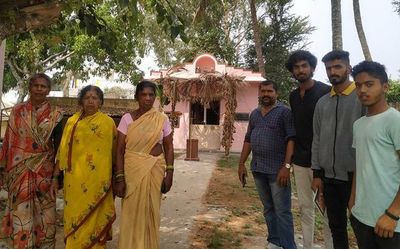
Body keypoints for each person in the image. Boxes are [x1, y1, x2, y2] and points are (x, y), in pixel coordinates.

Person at [0, 73, 63, 248]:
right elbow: (8, 140)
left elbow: (60, 149)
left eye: (43, 86)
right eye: (36, 85)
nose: (39, 89)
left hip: (45, 173)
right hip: (18, 172)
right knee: (20, 213)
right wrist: (3, 169)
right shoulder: (17, 111)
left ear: (48, 90)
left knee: (46, 217)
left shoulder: (56, 115)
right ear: (30, 87)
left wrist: (56, 177)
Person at [311, 50, 364, 249]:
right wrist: (317, 173)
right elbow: (317, 139)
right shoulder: (322, 103)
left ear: (348, 68)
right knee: (336, 227)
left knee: (361, 227)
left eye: (337, 67)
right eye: (329, 68)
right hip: (329, 177)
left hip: (355, 177)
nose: (333, 71)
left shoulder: (361, 99)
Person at [53, 85, 116, 248]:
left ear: (101, 102)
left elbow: (116, 152)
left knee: (95, 218)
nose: (90, 101)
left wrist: (117, 178)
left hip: (98, 181)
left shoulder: (108, 123)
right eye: (87, 97)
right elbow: (61, 151)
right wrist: (55, 177)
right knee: (75, 217)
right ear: (81, 100)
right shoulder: (71, 122)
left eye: (95, 98)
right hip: (74, 181)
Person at [113, 80, 174, 249]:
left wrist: (170, 173)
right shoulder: (127, 119)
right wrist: (119, 178)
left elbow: (169, 146)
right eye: (143, 94)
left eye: (151, 95)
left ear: (155, 97)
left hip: (155, 170)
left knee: (151, 211)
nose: (147, 98)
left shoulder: (162, 119)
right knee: (131, 213)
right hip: (132, 172)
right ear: (137, 97)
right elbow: (119, 150)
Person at [238, 80, 297, 249]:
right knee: (268, 209)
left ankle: (288, 245)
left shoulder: (284, 112)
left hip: (277, 171)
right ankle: (274, 241)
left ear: (276, 94)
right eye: (263, 91)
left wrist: (286, 167)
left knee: (283, 212)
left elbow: (291, 139)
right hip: (258, 169)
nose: (265, 94)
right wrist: (241, 163)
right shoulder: (255, 114)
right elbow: (248, 139)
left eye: (269, 91)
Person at [349, 61, 400, 249]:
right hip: (362, 216)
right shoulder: (359, 124)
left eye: (369, 84)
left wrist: (393, 213)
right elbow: (361, 164)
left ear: (385, 87)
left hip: (389, 222)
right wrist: (353, 202)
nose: (362, 90)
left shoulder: (395, 120)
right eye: (358, 85)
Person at [286, 50, 333, 249]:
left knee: (326, 211)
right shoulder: (293, 96)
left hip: (323, 162)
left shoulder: (326, 91)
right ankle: (307, 245)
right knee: (305, 208)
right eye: (296, 67)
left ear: (312, 68)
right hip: (299, 161)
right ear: (293, 71)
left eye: (304, 66)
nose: (301, 70)